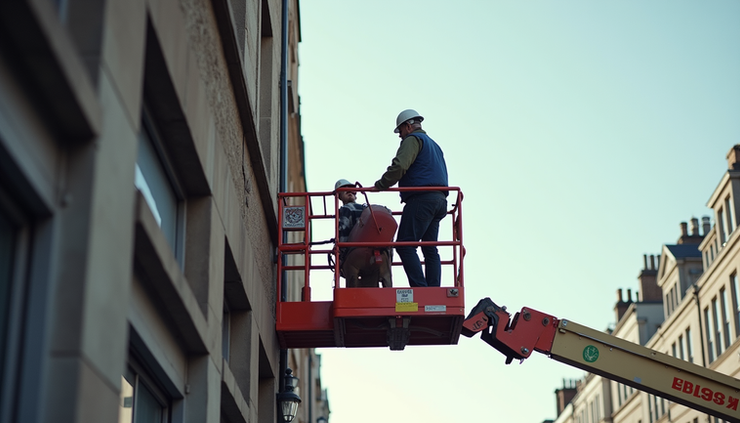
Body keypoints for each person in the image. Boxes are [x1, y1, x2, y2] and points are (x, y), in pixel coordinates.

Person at [373, 109, 448, 287]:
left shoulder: (412, 140)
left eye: (400, 132)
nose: (400, 136)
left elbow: (399, 166)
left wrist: (381, 184)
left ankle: (421, 289)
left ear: (407, 126)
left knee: (405, 245)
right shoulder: (434, 145)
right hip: (439, 200)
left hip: (421, 199)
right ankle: (433, 289)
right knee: (430, 249)